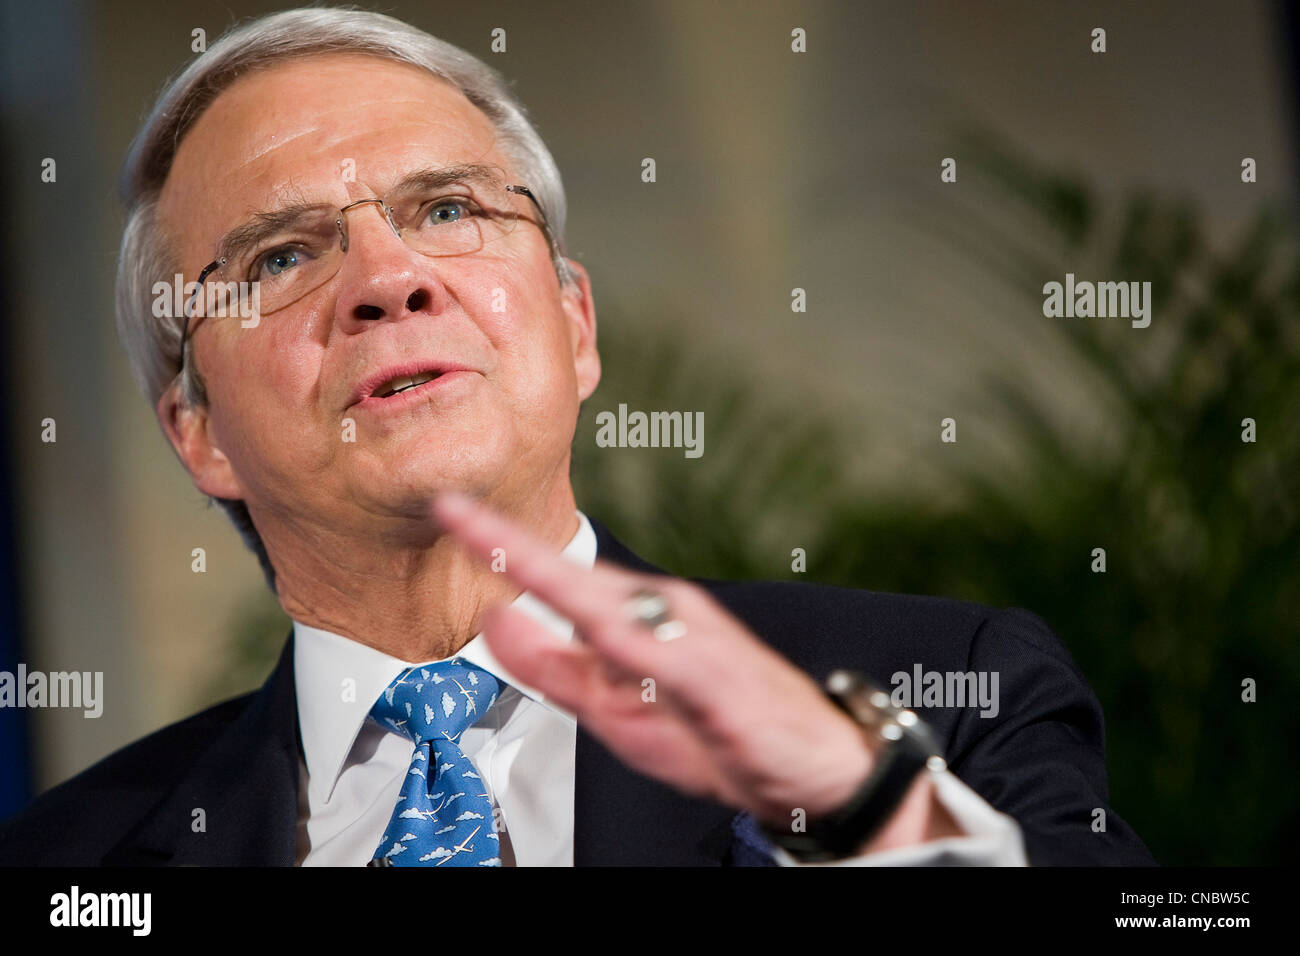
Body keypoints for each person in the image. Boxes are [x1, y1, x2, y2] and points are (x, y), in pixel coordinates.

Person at [0, 7, 1152, 867]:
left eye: (446, 209)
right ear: (196, 432)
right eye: (283, 256)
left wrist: (869, 811)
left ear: (575, 322)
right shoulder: (72, 862)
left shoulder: (948, 693)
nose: (388, 279)